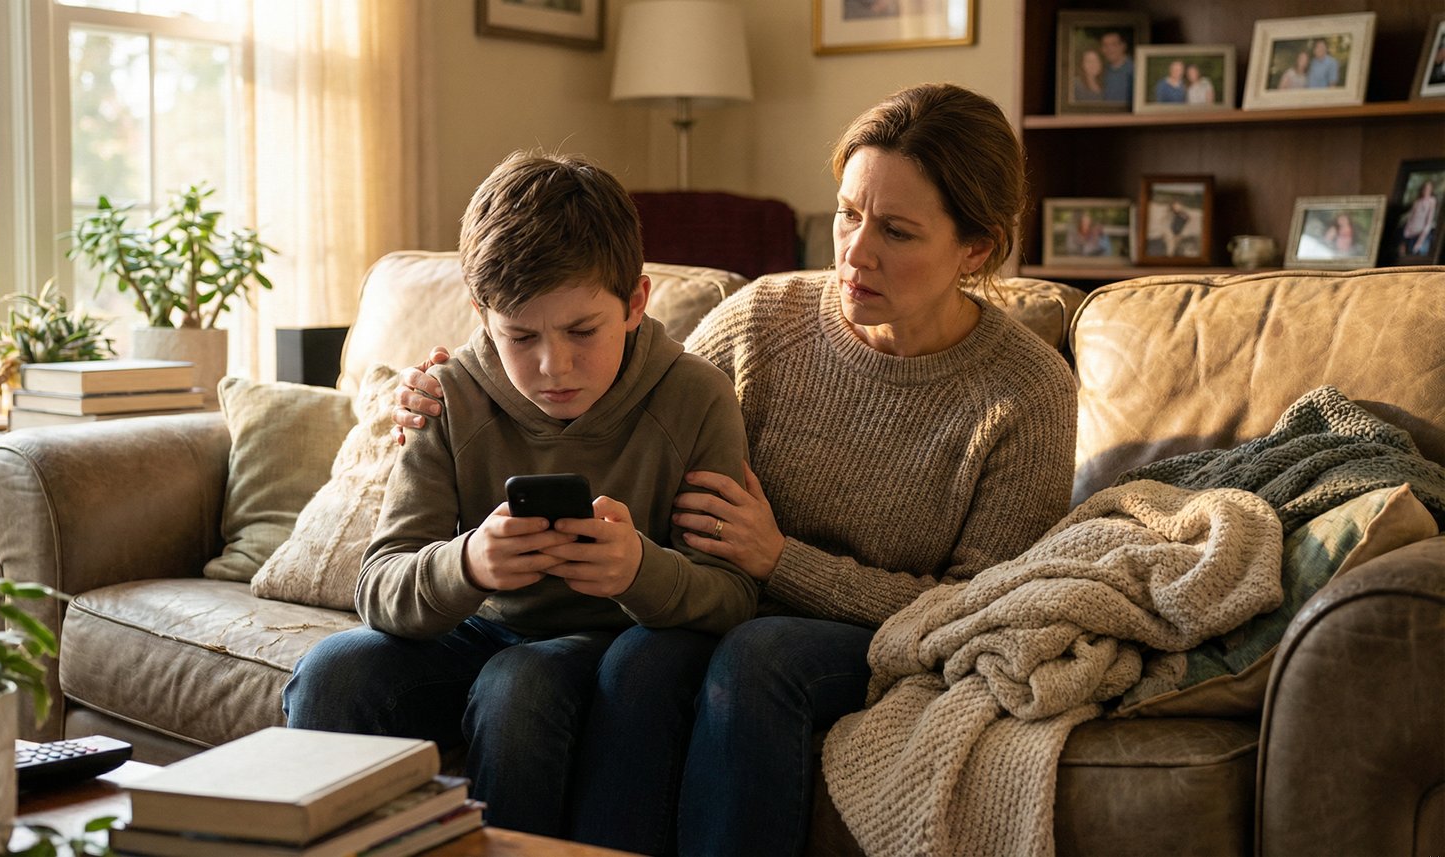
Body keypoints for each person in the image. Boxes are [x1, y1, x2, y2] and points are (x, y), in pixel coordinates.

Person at [392, 83, 1079, 856]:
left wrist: (781, 559)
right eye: (849, 213)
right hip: (715, 606)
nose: (855, 252)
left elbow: (975, 610)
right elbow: (612, 387)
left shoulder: (1027, 392)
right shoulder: (763, 318)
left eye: (896, 230)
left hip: (869, 635)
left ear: (976, 247)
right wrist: (453, 380)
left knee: (761, 655)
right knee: (642, 657)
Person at [282, 150, 759, 840]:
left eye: (581, 331)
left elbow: (734, 594)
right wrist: (470, 562)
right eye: (520, 335)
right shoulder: (446, 396)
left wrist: (638, 570)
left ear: (634, 304)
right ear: (481, 314)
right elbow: (381, 585)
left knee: (519, 686)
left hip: (609, 647)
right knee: (331, 670)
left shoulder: (695, 398)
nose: (552, 366)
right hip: (480, 627)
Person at [1401, 179, 1437, 257]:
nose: (1426, 190)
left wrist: (1420, 241)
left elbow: (1428, 222)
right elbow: (1411, 218)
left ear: (1431, 190)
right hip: (1410, 233)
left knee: (1418, 256)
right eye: (1424, 188)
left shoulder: (1432, 201)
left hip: (1422, 235)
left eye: (1428, 188)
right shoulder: (1417, 202)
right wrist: (1406, 232)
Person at [1099, 29, 1134, 102]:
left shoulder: (1134, 70)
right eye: (1105, 45)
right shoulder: (1102, 71)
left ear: (1123, 46)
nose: (1109, 49)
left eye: (1113, 45)